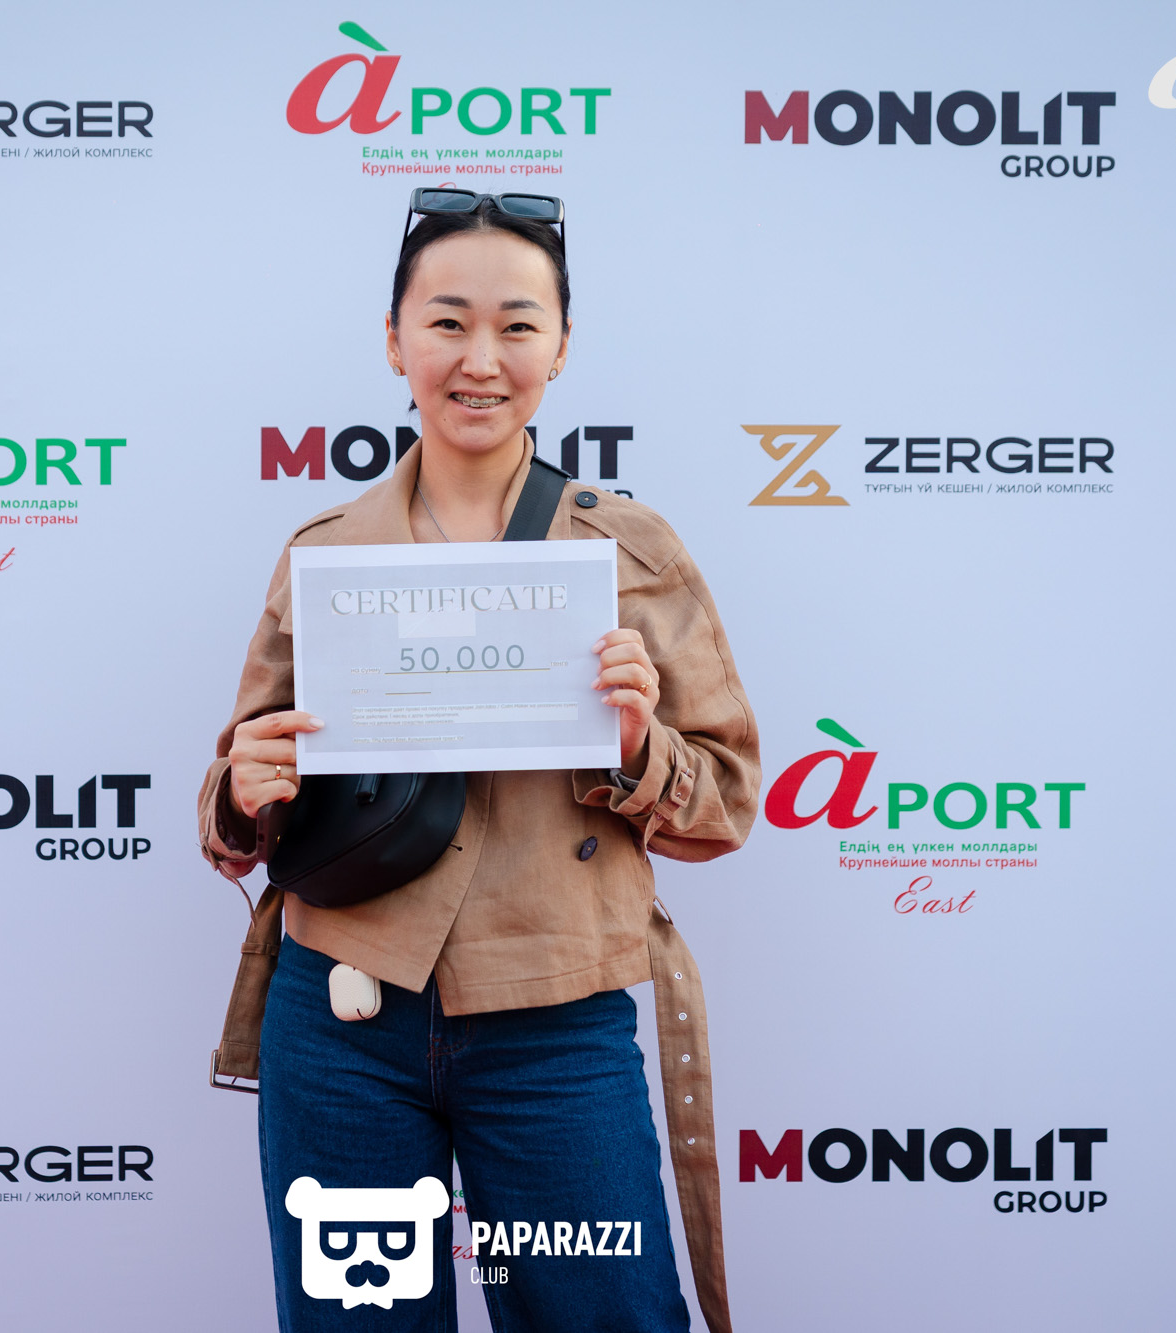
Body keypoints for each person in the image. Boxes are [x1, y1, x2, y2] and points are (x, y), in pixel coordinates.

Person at [199, 188, 759, 1333]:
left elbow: (724, 805)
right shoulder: (323, 555)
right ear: (393, 339)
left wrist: (637, 744)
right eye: (446, 322)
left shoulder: (629, 550)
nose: (480, 359)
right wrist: (240, 792)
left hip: (555, 1021)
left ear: (561, 345)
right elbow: (239, 801)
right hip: (341, 1018)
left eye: (516, 325)